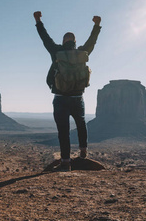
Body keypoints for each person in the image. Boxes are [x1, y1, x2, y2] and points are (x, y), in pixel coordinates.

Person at [34, 11, 102, 171]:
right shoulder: (82, 52)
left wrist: (38, 20)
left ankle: (65, 162)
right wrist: (97, 25)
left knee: (63, 130)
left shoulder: (57, 52)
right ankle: (83, 153)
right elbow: (92, 41)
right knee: (81, 124)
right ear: (74, 42)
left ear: (64, 41)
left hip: (60, 98)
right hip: (78, 98)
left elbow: (45, 38)